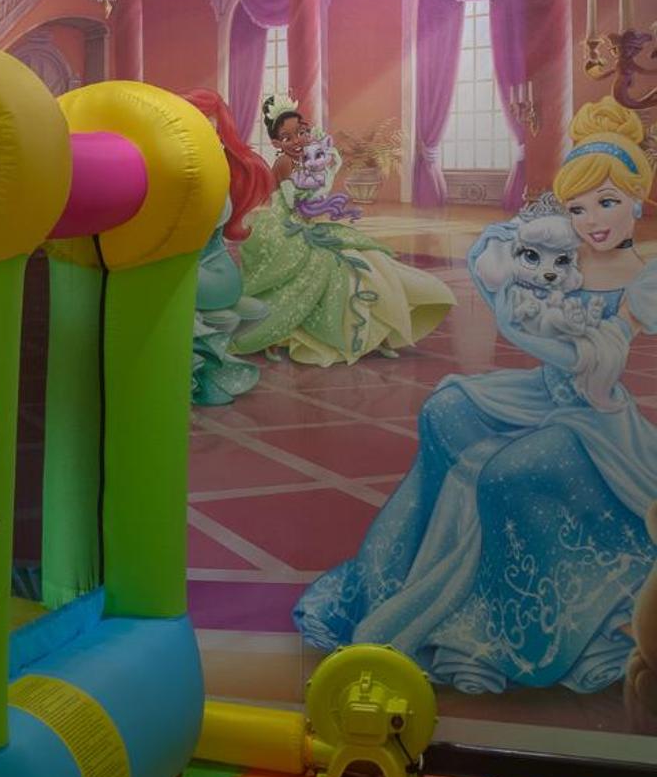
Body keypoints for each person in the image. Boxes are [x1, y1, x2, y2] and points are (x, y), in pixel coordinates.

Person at [297, 97, 657, 693]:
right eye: (578, 207)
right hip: (542, 395)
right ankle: (408, 579)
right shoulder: (562, 254)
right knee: (446, 408)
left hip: (593, 416)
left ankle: (511, 631)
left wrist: (519, 321)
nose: (593, 219)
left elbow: (595, 362)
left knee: (504, 473)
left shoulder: (643, 279)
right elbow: (503, 261)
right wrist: (504, 277)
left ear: (637, 201)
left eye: (608, 202)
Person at [228, 95, 454, 366]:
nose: (297, 141)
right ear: (277, 143)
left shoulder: (309, 159)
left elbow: (313, 203)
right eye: (287, 138)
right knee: (329, 268)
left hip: (309, 224)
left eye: (300, 132)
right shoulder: (285, 164)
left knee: (366, 262)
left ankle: (378, 334)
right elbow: (301, 206)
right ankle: (276, 335)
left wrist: (329, 182)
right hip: (287, 229)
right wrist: (329, 192)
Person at [185, 92, 275, 405]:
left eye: (212, 133)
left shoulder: (211, 175)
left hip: (211, 274)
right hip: (215, 273)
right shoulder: (201, 170)